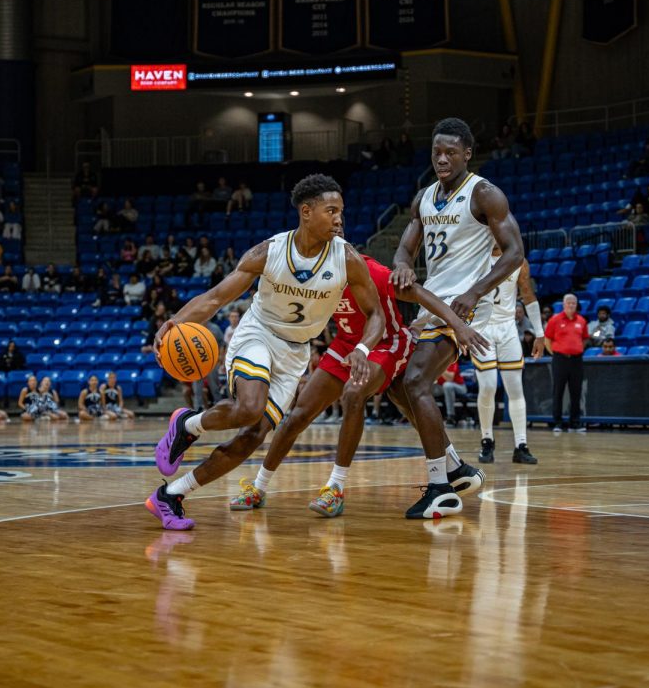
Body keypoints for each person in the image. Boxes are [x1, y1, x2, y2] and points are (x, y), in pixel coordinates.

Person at [144, 174, 387, 531]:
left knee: (253, 436)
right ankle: (186, 425)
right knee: (249, 407)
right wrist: (174, 322)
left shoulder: (348, 259)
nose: (339, 219)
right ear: (306, 212)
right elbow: (216, 298)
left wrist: (364, 347)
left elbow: (376, 314)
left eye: (341, 211)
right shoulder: (269, 252)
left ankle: (171, 493)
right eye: (331, 211)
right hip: (258, 334)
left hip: (295, 353)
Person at [228, 245, 487, 518]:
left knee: (354, 393)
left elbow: (420, 294)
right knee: (298, 415)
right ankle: (258, 487)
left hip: (387, 343)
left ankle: (335, 488)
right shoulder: (314, 276)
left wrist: (458, 325)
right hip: (346, 344)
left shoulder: (371, 271)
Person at [388, 117, 523, 517]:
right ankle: (453, 466)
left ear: (467, 154)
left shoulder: (484, 193)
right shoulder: (423, 197)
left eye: (450, 152)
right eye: (436, 152)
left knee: (416, 380)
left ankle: (440, 488)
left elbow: (515, 252)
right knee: (396, 383)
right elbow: (403, 250)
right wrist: (402, 266)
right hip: (432, 302)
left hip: (466, 306)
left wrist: (474, 291)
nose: (442, 159)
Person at [471, 250, 543, 465]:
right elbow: (461, 292)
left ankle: (521, 445)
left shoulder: (518, 260)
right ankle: (487, 440)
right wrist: (462, 328)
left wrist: (539, 332)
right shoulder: (475, 255)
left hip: (508, 328)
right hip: (481, 327)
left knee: (515, 389)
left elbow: (528, 294)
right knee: (489, 386)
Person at [542, 294, 588, 432]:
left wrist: (577, 349)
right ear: (563, 304)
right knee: (558, 391)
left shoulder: (581, 320)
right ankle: (557, 422)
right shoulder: (554, 320)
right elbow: (547, 340)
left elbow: (585, 339)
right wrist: (556, 352)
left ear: (576, 304)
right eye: (568, 303)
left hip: (576, 360)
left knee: (576, 391)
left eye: (573, 303)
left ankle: (575, 422)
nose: (571, 305)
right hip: (560, 359)